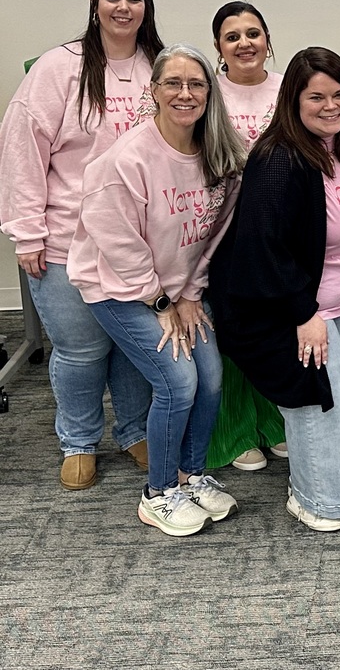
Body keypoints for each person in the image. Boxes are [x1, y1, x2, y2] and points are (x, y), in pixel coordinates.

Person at [67, 44, 247, 537]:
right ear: (154, 91)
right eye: (173, 83)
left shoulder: (221, 154)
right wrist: (162, 301)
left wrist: (190, 292)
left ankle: (190, 475)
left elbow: (215, 233)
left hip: (178, 291)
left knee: (210, 376)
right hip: (119, 290)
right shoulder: (126, 159)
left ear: (210, 93)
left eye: (196, 84)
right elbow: (118, 243)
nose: (185, 94)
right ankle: (159, 492)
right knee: (178, 381)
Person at [0, 0, 161, 491]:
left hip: (139, 244)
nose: (123, 8)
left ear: (146, 7)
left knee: (136, 348)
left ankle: (135, 431)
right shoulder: (57, 67)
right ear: (95, 4)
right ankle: (79, 439)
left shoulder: (157, 66)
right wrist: (28, 232)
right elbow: (23, 149)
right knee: (82, 350)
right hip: (66, 241)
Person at [209, 47, 340, 532]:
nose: (330, 106)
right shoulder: (279, 160)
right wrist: (303, 315)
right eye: (315, 97)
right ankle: (317, 499)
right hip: (288, 306)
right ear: (292, 102)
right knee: (317, 398)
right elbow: (264, 248)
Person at [205, 1, 287, 473]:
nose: (244, 43)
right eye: (232, 36)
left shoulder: (286, 90)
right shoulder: (208, 94)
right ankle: (236, 432)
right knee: (234, 334)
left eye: (253, 33)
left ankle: (274, 421)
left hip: (279, 229)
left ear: (267, 40)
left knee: (276, 328)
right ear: (219, 47)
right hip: (224, 232)